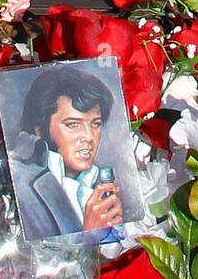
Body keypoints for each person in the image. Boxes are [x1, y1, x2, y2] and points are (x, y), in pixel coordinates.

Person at [9, 68, 123, 240]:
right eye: (73, 125)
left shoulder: (95, 183)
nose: (89, 137)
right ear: (39, 128)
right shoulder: (21, 184)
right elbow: (35, 260)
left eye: (95, 124)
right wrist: (89, 236)